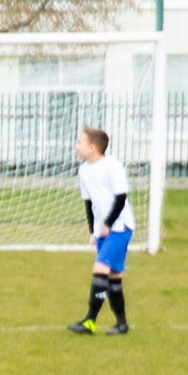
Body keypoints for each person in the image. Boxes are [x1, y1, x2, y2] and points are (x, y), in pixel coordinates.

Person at [70, 126, 132, 334]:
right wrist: (92, 230)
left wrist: (108, 224)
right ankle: (122, 324)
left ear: (93, 147)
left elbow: (121, 198)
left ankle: (90, 321)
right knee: (114, 276)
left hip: (120, 228)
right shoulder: (84, 170)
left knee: (100, 269)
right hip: (102, 231)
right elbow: (88, 203)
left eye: (80, 142)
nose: (76, 146)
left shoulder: (112, 166)